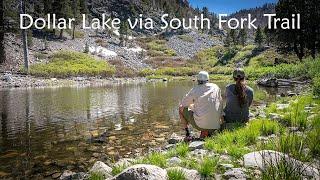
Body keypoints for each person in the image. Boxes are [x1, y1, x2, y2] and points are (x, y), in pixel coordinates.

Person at [179, 71, 223, 140]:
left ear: (198, 80)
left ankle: (188, 133)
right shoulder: (215, 87)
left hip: (201, 125)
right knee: (204, 109)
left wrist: (192, 105)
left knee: (181, 108)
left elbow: (183, 104)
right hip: (216, 125)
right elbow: (219, 103)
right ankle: (207, 132)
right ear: (208, 79)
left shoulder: (195, 89)